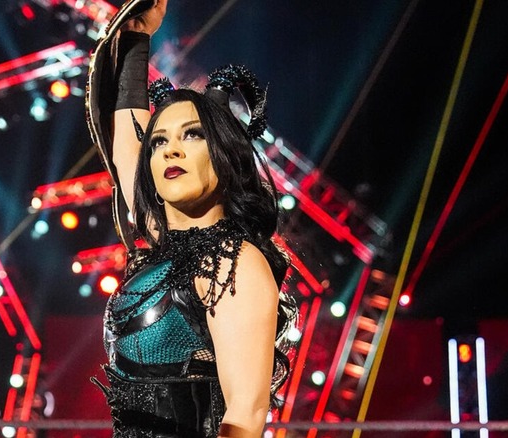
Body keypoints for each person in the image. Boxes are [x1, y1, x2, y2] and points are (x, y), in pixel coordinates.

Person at [85, 1, 297, 436]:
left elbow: (246, 413)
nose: (170, 150)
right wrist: (137, 38)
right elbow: (129, 153)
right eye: (159, 141)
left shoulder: (231, 261)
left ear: (224, 155)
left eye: (192, 135)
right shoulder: (170, 247)